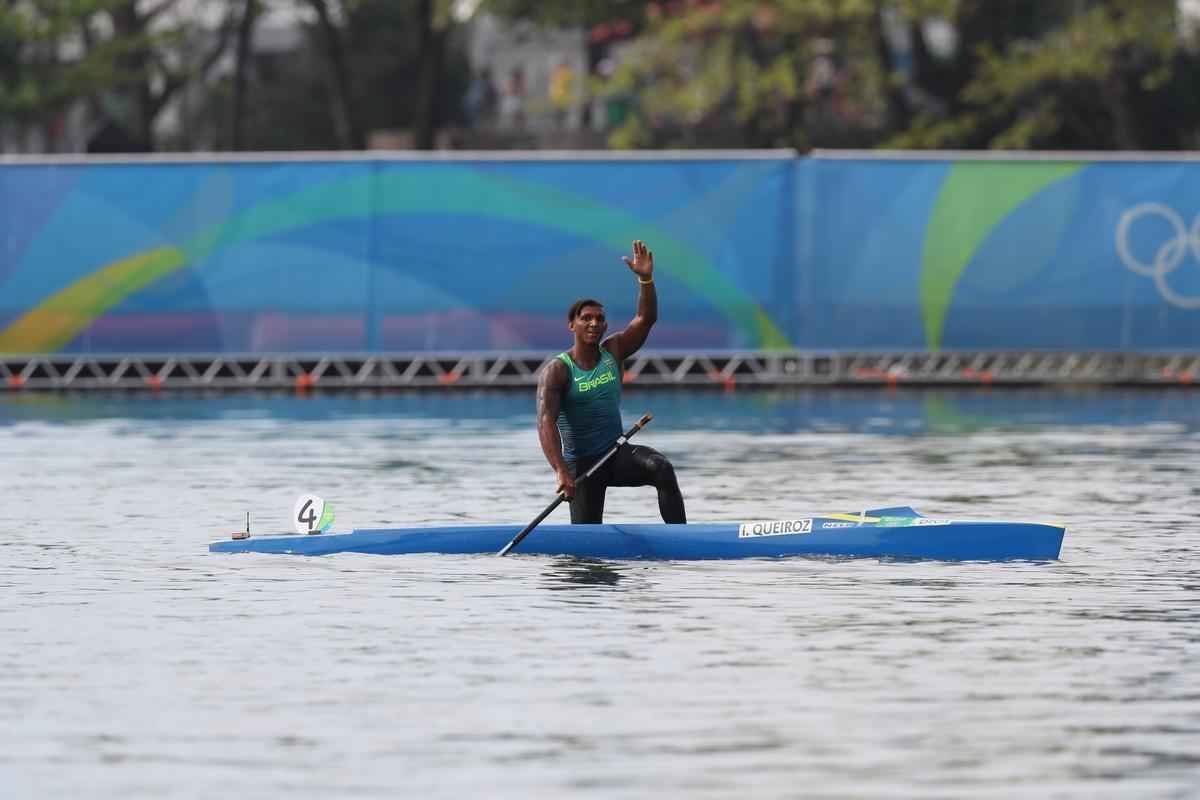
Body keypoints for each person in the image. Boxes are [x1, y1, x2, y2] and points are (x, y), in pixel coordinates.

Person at [536, 240, 686, 524]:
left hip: (615, 454)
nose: (593, 323)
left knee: (661, 467)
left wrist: (645, 279)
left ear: (605, 326)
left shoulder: (614, 350)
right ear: (572, 325)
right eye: (586, 318)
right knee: (587, 556)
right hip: (582, 464)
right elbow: (546, 422)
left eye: (599, 319)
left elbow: (646, 318)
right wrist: (561, 471)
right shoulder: (557, 370)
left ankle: (681, 539)